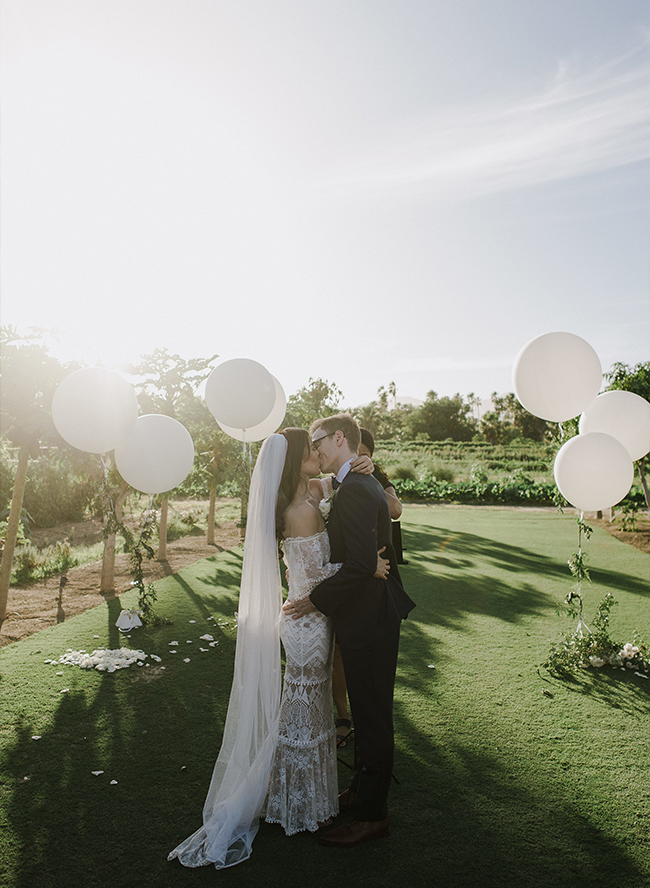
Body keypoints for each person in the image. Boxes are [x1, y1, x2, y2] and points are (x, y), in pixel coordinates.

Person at [168, 430, 386, 870]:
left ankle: (306, 798)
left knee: (312, 712)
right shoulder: (296, 512)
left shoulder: (311, 490)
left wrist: (365, 465)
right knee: (300, 715)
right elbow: (315, 576)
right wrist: (368, 566)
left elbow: (338, 481)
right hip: (307, 621)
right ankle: (294, 805)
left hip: (316, 617)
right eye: (309, 450)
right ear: (293, 461)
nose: (316, 454)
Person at [284, 414, 415, 848]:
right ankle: (361, 792)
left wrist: (311, 601)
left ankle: (373, 816)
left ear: (340, 438)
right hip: (363, 615)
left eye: (318, 441)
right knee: (364, 712)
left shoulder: (356, 487)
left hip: (370, 618)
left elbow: (362, 564)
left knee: (373, 718)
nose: (315, 449)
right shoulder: (349, 482)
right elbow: (360, 558)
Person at [332, 428, 407, 748]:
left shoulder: (374, 477)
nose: (356, 459)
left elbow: (396, 510)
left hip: (371, 574)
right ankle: (342, 715)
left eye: (362, 454)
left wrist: (371, 474)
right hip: (342, 570)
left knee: (360, 654)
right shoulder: (335, 477)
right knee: (337, 651)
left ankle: (367, 726)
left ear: (370, 455)